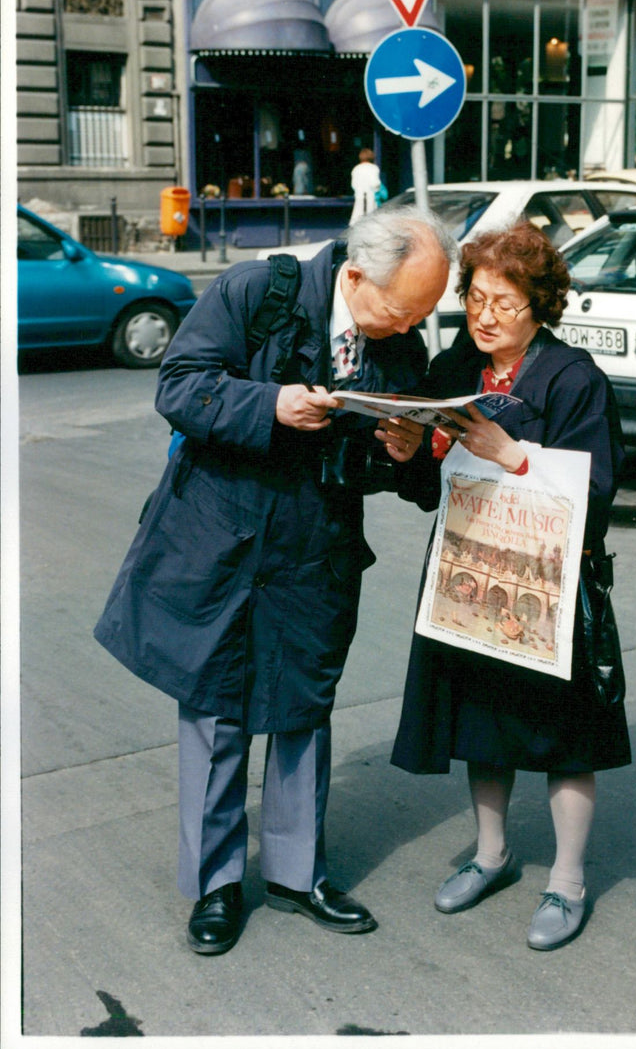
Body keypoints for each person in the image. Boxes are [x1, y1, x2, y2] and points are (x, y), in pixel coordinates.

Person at [94, 205, 456, 954]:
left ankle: (298, 873)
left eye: (423, 313)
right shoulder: (258, 291)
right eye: (401, 310)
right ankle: (215, 885)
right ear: (355, 276)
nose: (410, 327)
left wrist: (408, 448)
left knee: (300, 707)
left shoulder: (399, 338)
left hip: (315, 548)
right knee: (217, 709)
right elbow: (179, 384)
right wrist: (271, 402)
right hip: (221, 536)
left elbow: (414, 474)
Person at [391, 219, 631, 951]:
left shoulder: (572, 377)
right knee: (482, 720)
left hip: (547, 586)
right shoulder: (459, 364)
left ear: (540, 305)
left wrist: (517, 457)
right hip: (469, 574)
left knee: (563, 736)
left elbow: (601, 488)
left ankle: (567, 879)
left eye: (503, 301)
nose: (485, 316)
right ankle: (490, 854)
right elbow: (427, 485)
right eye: (475, 299)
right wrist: (408, 450)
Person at [349, 147, 382, 223]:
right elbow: (375, 183)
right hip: (371, 196)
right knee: (371, 219)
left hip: (359, 196)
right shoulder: (374, 168)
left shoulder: (356, 169)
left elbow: (353, 185)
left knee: (357, 216)